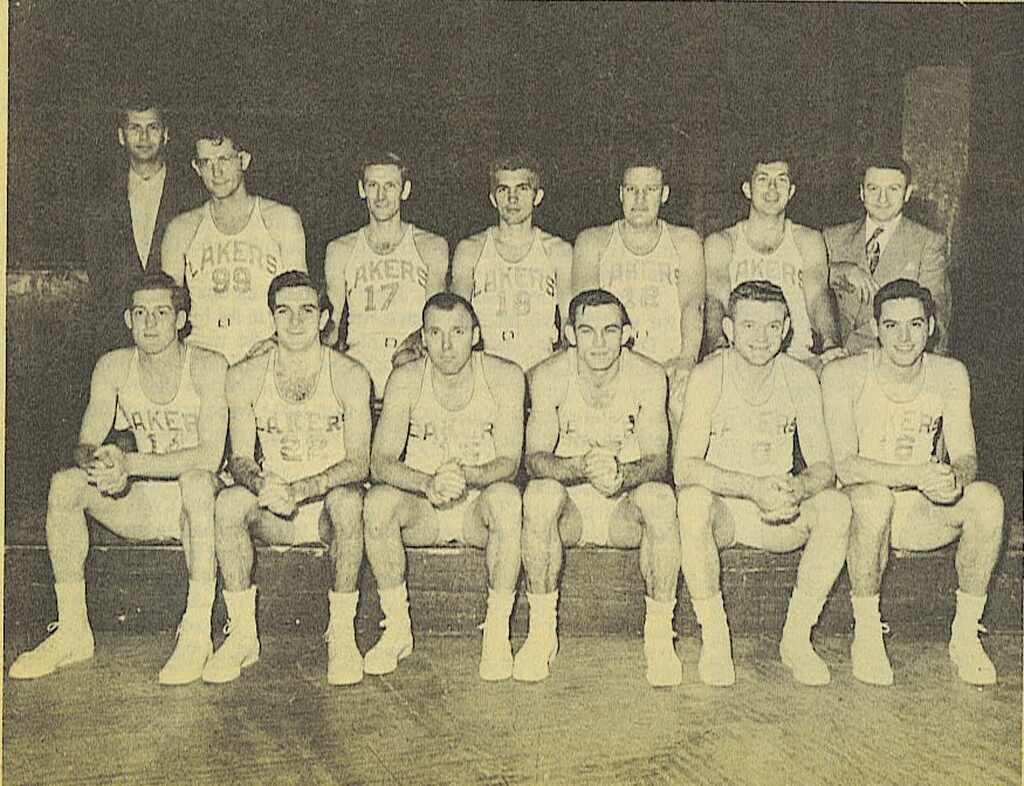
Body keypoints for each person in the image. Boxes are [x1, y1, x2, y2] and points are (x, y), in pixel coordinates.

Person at [9, 273, 228, 685]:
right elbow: (85, 444)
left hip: (197, 508)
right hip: (143, 502)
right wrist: (102, 462)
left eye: (161, 313)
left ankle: (197, 631)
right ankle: (73, 629)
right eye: (140, 313)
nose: (150, 323)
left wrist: (129, 463)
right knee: (66, 485)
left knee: (198, 482)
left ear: (180, 319)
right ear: (128, 319)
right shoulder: (112, 366)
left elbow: (209, 456)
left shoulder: (208, 365)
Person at [821, 279, 1003, 686]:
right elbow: (846, 467)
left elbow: (966, 456)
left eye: (915, 325)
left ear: (932, 327)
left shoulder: (950, 373)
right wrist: (915, 475)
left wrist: (953, 480)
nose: (904, 338)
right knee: (873, 500)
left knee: (987, 500)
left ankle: (965, 635)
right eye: (892, 326)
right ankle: (866, 633)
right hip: (861, 513)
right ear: (876, 328)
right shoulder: (844, 375)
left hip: (920, 510)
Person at [675, 280, 851, 687]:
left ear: (787, 328)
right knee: (691, 503)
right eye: (749, 326)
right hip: (728, 510)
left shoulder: (801, 379)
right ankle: (715, 639)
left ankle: (796, 639)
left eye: (773, 326)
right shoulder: (708, 376)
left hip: (779, 510)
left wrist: (798, 488)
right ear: (729, 329)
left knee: (836, 507)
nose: (761, 337)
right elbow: (684, 468)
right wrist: (752, 487)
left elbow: (824, 467)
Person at [202, 271, 371, 685]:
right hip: (275, 506)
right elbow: (239, 457)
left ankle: (343, 634)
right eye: (284, 311)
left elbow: (359, 463)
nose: (295, 321)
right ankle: (243, 635)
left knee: (351, 501)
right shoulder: (245, 376)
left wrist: (301, 489)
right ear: (272, 318)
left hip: (327, 506)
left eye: (307, 310)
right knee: (227, 503)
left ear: (324, 318)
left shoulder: (350, 374)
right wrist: (264, 487)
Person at [517, 289, 681, 687]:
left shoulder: (648, 376)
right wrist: (578, 467)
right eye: (587, 331)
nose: (599, 342)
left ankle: (659, 636)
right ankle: (541, 632)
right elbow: (534, 458)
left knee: (661, 499)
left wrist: (622, 475)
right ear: (570, 334)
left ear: (627, 333)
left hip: (621, 509)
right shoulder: (547, 376)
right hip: (570, 508)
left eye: (610, 331)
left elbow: (659, 460)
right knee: (538, 494)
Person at [362, 293, 524, 681]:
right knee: (378, 502)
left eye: (457, 332)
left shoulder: (504, 376)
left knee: (506, 499)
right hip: (425, 509)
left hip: (475, 507)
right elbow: (380, 460)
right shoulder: (405, 379)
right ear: (423, 337)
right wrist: (427, 483)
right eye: (435, 333)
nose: (446, 345)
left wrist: (466, 475)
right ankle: (398, 628)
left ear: (476, 335)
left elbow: (509, 462)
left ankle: (497, 631)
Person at [161, 123, 307, 365]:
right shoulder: (181, 229)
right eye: (206, 162)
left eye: (224, 159)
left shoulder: (281, 220)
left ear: (244, 160)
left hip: (265, 354)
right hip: (201, 358)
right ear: (196, 167)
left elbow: (301, 300)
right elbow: (164, 308)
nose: (216, 172)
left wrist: (275, 342)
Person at [571, 156, 704, 420]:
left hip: (669, 363)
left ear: (664, 194)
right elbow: (585, 313)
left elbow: (693, 304)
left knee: (683, 403)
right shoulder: (593, 242)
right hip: (612, 366)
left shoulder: (685, 241)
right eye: (632, 190)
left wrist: (686, 360)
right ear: (620, 193)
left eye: (650, 190)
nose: (640, 200)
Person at [324, 152, 448, 397]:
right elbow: (331, 324)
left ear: (405, 190)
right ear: (361, 189)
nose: (381, 197)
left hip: (412, 362)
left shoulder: (430, 246)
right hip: (358, 365)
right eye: (373, 186)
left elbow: (437, 318)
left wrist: (414, 344)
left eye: (390, 186)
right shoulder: (340, 249)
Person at [705, 156, 843, 375]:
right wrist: (718, 346)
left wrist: (831, 344)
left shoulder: (807, 240)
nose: (772, 189)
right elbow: (716, 301)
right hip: (741, 361)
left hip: (798, 360)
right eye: (762, 179)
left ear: (791, 191)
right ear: (747, 189)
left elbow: (818, 296)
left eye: (781, 180)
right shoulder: (723, 242)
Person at [86, 95, 199, 350]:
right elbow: (99, 274)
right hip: (117, 337)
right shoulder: (100, 199)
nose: (144, 137)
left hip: (180, 337)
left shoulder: (193, 194)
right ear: (121, 136)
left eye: (153, 127)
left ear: (166, 134)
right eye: (135, 128)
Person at [450, 154, 572, 372]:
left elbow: (569, 325)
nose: (512, 198)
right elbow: (455, 320)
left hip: (541, 370)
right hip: (485, 373)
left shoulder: (558, 252)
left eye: (522, 188)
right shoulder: (471, 250)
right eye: (503, 189)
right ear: (493, 198)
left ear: (538, 196)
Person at [824, 156, 952, 354]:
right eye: (873, 188)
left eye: (893, 189)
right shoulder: (833, 238)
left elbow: (935, 316)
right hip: (834, 357)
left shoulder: (928, 243)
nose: (882, 199)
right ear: (861, 192)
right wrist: (840, 270)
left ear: (907, 193)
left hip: (894, 361)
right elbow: (806, 283)